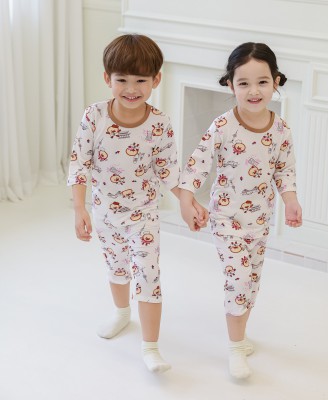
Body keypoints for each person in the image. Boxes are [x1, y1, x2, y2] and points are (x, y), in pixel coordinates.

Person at [68, 34, 207, 373]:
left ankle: (151, 347)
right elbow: (79, 164)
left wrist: (188, 201)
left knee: (148, 275)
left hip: (143, 216)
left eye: (141, 81)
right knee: (116, 268)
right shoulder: (94, 117)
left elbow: (168, 171)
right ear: (107, 79)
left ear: (156, 80)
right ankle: (121, 313)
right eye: (122, 80)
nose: (131, 89)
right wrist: (80, 208)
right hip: (104, 213)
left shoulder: (159, 123)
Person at [179, 42, 302, 380]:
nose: (253, 91)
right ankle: (235, 349)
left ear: (276, 82)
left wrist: (291, 200)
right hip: (225, 219)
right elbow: (198, 163)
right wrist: (187, 198)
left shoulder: (281, 130)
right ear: (230, 85)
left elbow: (285, 171)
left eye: (262, 81)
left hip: (260, 221)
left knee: (252, 283)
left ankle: (240, 336)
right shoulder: (223, 126)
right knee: (239, 279)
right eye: (243, 83)